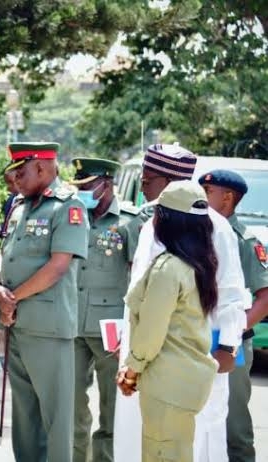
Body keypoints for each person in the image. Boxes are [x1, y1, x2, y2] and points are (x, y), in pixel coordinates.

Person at [114, 144, 248, 462]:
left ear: (169, 183)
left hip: (186, 357)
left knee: (192, 442)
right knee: (145, 441)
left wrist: (228, 348)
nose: (142, 188)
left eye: (148, 181)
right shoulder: (152, 224)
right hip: (146, 356)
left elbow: (230, 296)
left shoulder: (216, 227)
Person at [0, 142, 90, 461]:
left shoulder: (68, 208)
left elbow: (58, 267)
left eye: (21, 173)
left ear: (42, 168)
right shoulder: (20, 207)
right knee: (24, 414)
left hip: (48, 327)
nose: (15, 180)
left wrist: (12, 298)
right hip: (17, 323)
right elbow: (3, 252)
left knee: (56, 416)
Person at [117, 181, 219, 462]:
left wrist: (131, 371)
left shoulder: (169, 268)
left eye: (158, 213)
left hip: (167, 384)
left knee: (161, 455)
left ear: (170, 220)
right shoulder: (200, 262)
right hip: (185, 381)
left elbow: (151, 332)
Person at [69, 157, 136, 462]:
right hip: (72, 322)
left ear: (106, 184)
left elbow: (139, 274)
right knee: (71, 401)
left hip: (111, 329)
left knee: (113, 405)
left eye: (88, 186)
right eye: (79, 186)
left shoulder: (129, 222)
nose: (81, 192)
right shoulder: (73, 217)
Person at [199, 170, 268, 462]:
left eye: (207, 192)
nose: (201, 197)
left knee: (234, 424)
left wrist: (233, 333)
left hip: (232, 344)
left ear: (227, 198)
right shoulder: (199, 233)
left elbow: (265, 297)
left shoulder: (245, 241)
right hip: (197, 336)